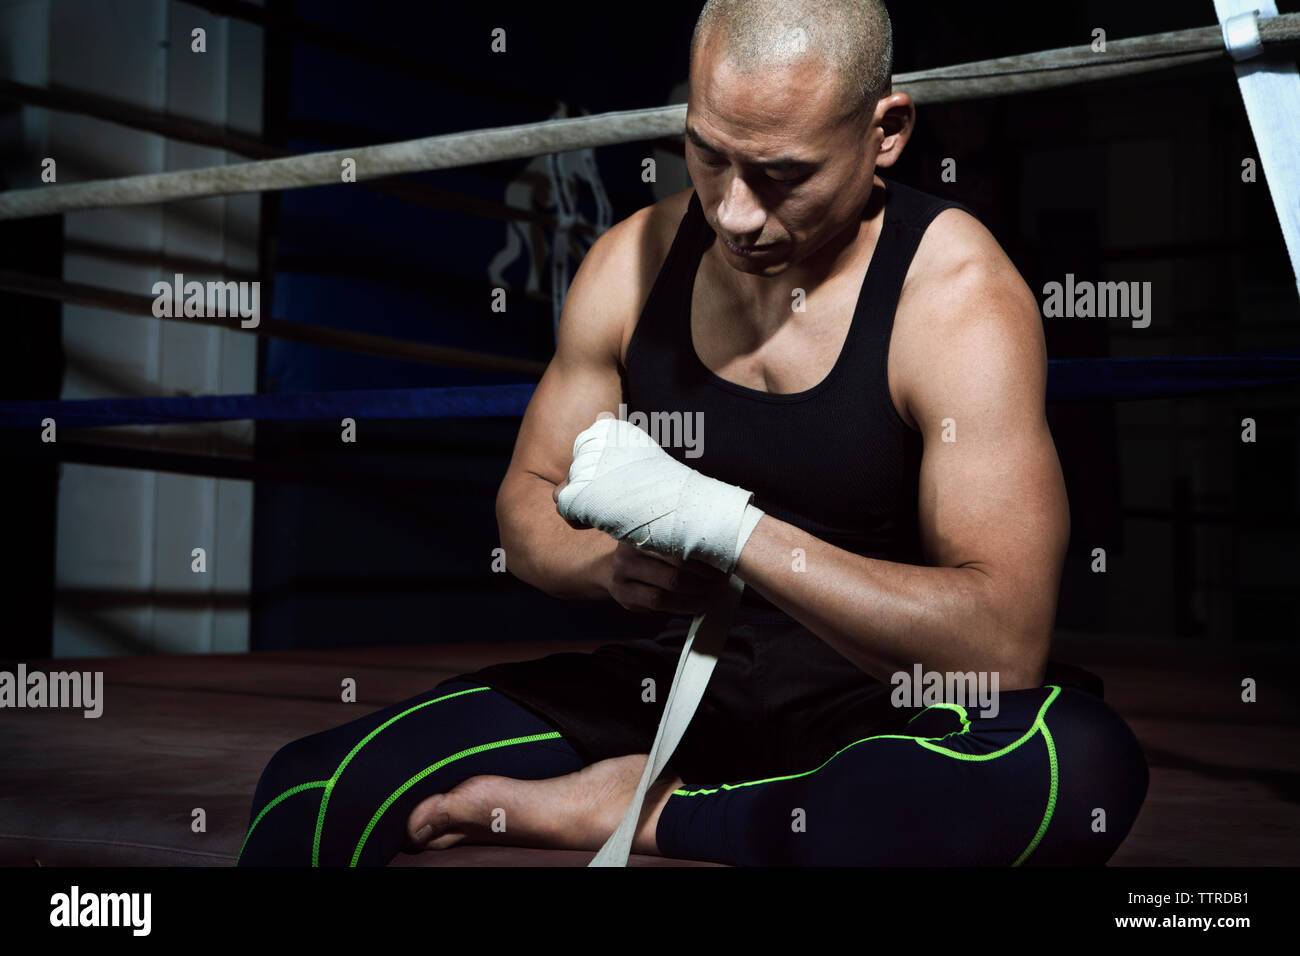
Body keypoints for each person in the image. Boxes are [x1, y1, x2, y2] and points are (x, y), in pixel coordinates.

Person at [237, 0, 1148, 867]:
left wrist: (727, 529)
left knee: (1074, 768)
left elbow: (1001, 642)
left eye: (783, 174)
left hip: (888, 708)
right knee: (312, 788)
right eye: (709, 156)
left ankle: (652, 812)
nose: (738, 213)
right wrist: (604, 567)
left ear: (887, 134)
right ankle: (706, 797)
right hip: (677, 685)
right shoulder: (631, 263)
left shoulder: (955, 296)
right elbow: (527, 506)